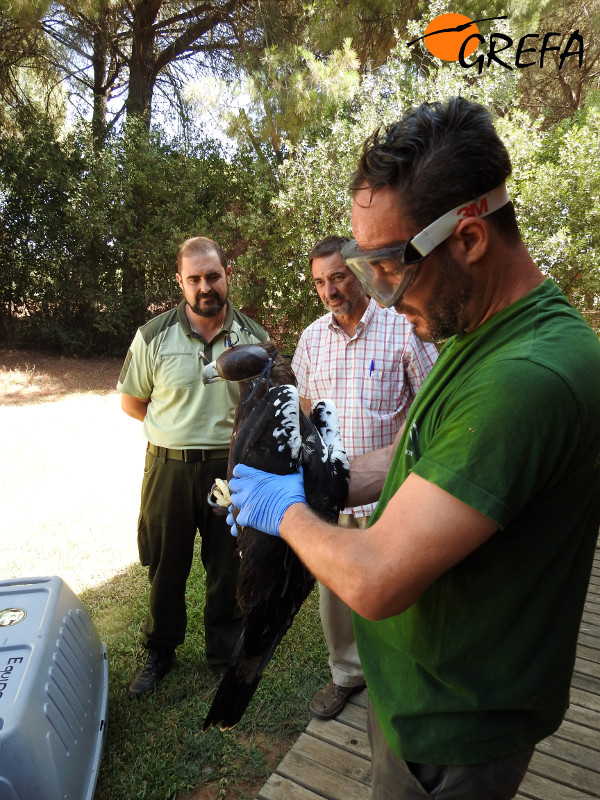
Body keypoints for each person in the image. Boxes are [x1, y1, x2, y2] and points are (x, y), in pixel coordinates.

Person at [227, 98, 600, 798]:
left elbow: (375, 579)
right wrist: (319, 481)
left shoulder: (527, 377)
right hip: (416, 696)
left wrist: (286, 514)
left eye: (391, 267)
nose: (383, 297)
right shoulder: (482, 336)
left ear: (468, 239)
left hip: (455, 726)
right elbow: (415, 469)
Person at [292, 234, 437, 720]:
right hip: (334, 501)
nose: (330, 290)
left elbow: (428, 403)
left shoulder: (402, 329)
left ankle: (399, 678)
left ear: (357, 272)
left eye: (337, 277)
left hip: (392, 497)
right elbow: (307, 407)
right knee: (334, 598)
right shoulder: (312, 338)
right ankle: (346, 675)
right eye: (319, 283)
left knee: (399, 593)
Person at [118, 235, 269, 699]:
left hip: (228, 470)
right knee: (165, 564)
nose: (206, 286)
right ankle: (160, 651)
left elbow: (262, 409)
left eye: (214, 276)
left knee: (227, 564)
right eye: (196, 278)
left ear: (228, 276)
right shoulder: (152, 336)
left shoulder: (255, 340)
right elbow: (132, 401)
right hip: (168, 469)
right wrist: (177, 433)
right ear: (181, 283)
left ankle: (225, 655)